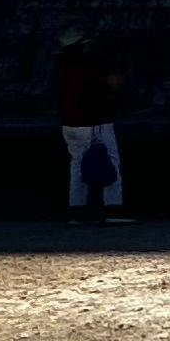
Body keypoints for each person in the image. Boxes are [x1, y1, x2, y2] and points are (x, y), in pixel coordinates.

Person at [56, 33, 125, 219]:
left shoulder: (64, 68)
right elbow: (107, 88)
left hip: (70, 123)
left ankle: (76, 208)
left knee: (77, 165)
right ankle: (113, 206)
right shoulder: (90, 68)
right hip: (95, 122)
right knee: (111, 161)